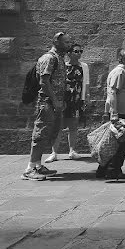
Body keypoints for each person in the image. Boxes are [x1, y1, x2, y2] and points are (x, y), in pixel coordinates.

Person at [22, 32, 72, 181]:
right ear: (56, 41)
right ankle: (30, 168)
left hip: (55, 103)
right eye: (66, 42)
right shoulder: (49, 58)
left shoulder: (60, 58)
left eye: (69, 42)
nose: (69, 45)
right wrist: (55, 100)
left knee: (48, 134)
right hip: (46, 103)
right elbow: (44, 82)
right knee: (40, 133)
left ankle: (38, 165)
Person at [45, 43, 90, 162]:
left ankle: (72, 150)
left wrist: (86, 98)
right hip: (63, 99)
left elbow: (86, 83)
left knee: (73, 125)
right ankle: (54, 152)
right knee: (58, 125)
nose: (79, 53)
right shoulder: (62, 66)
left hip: (76, 99)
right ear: (69, 53)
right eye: (76, 51)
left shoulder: (84, 66)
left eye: (81, 51)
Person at [98, 48, 125, 179]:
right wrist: (114, 113)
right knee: (119, 143)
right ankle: (113, 170)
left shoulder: (124, 71)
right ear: (123, 59)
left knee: (115, 142)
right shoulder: (120, 71)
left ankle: (105, 169)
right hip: (120, 112)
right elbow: (112, 92)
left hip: (123, 111)